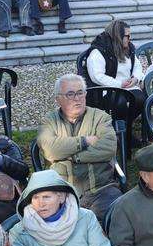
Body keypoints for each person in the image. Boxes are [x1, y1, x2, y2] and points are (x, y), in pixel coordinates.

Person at [37, 74, 121, 221]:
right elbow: (50, 150)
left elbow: (109, 147)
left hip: (101, 189)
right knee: (59, 228)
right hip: (62, 192)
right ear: (58, 98)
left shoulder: (100, 117)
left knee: (114, 220)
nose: (77, 98)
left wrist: (73, 156)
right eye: (70, 94)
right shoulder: (49, 121)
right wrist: (84, 141)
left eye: (80, 92)